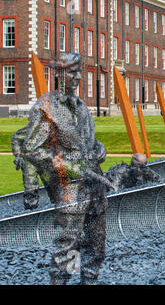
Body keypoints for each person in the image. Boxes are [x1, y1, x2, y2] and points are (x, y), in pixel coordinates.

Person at [19, 53, 114, 285]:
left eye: (79, 71)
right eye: (72, 71)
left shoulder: (81, 106)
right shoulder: (46, 107)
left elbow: (86, 142)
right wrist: (62, 165)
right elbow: (31, 149)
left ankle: (89, 281)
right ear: (59, 73)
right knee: (68, 248)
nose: (78, 77)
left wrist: (99, 148)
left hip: (95, 187)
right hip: (69, 189)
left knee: (96, 245)